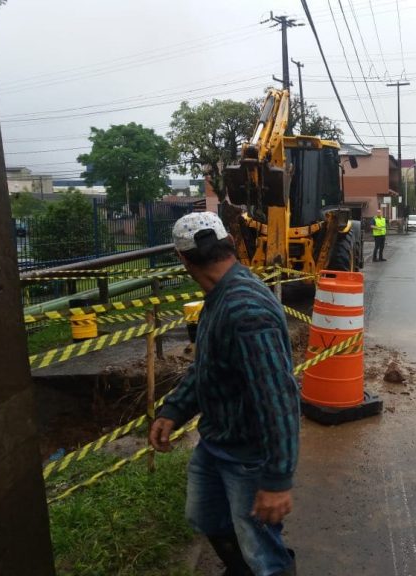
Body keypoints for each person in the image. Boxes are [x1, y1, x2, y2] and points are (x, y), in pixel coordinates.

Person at [149, 211, 299, 576]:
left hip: (247, 456)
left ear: (183, 259)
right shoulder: (219, 297)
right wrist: (174, 409)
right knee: (205, 517)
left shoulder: (245, 309)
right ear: (230, 243)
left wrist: (277, 480)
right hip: (217, 444)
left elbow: (278, 397)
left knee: (262, 550)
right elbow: (209, 367)